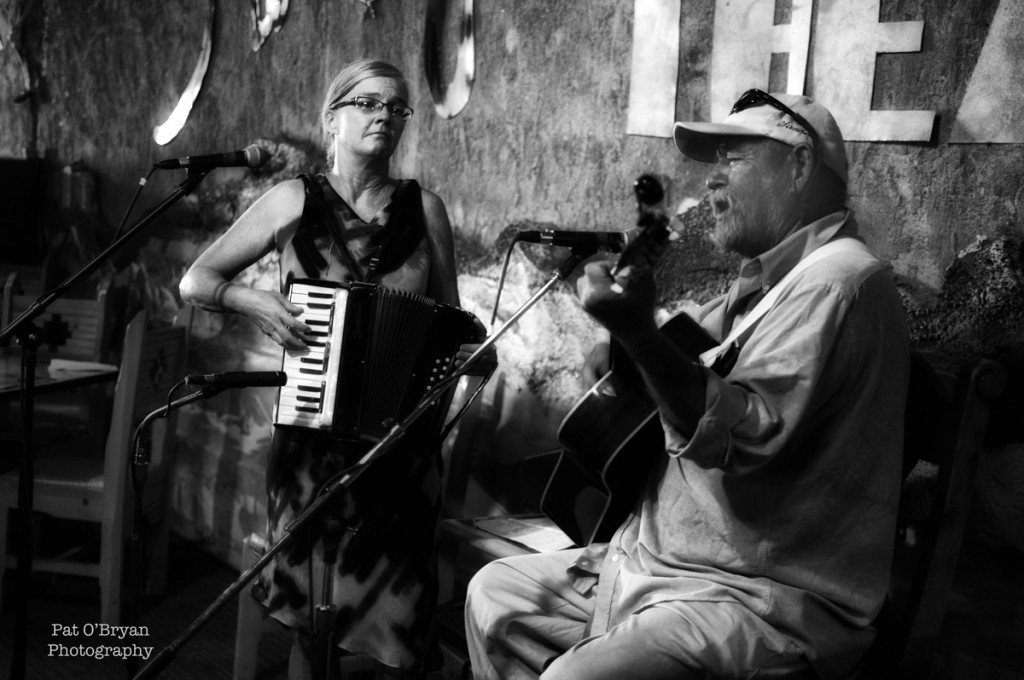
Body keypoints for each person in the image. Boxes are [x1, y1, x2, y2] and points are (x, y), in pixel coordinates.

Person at [463, 90, 910, 680]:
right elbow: (681, 342)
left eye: (734, 159)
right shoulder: (766, 282)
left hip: (752, 598)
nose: (713, 180)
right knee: (496, 595)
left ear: (800, 166)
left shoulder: (835, 282)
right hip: (655, 566)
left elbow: (745, 439)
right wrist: (621, 337)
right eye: (715, 160)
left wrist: (636, 335)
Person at [179, 58, 495, 679]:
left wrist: (471, 353)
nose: (385, 116)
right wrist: (254, 301)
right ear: (332, 117)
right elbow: (198, 280)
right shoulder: (292, 199)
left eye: (397, 107)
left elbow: (454, 323)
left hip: (400, 453)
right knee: (313, 631)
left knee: (402, 639)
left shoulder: (425, 209)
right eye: (370, 103)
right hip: (309, 453)